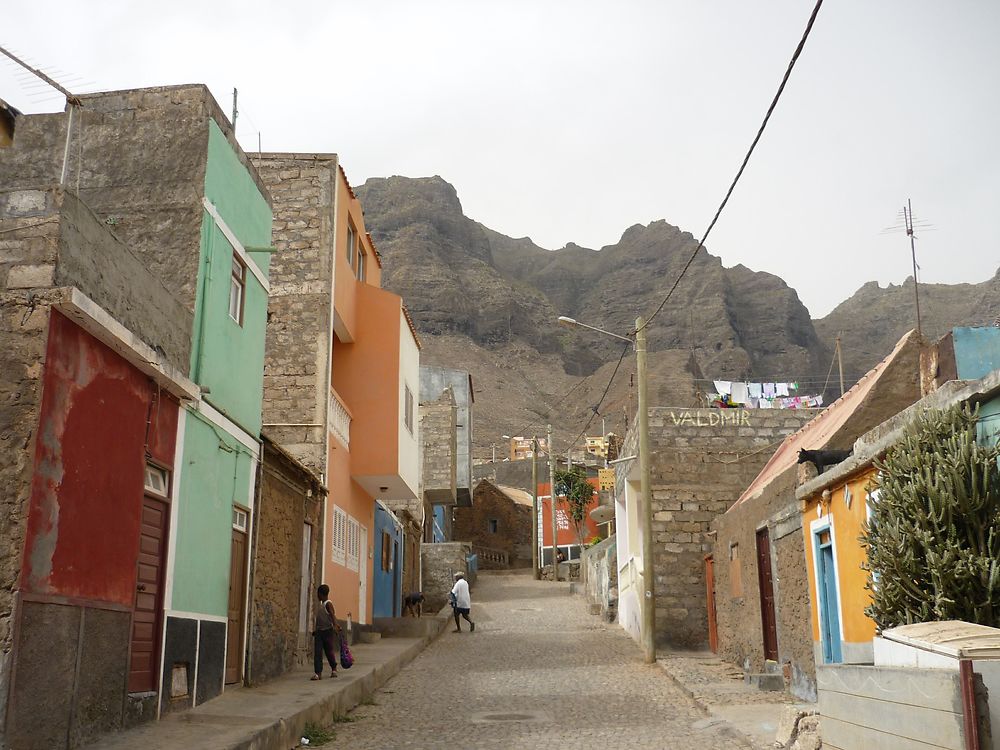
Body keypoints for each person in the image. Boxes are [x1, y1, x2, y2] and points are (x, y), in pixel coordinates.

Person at [311, 584, 342, 680]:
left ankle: (334, 668)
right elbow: (321, 619)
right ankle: (318, 673)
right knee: (318, 652)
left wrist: (336, 626)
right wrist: (316, 631)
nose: (317, 596)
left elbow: (332, 615)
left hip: (327, 632)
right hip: (319, 632)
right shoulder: (322, 605)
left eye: (318, 594)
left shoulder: (328, 604)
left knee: (329, 651)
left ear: (320, 594)